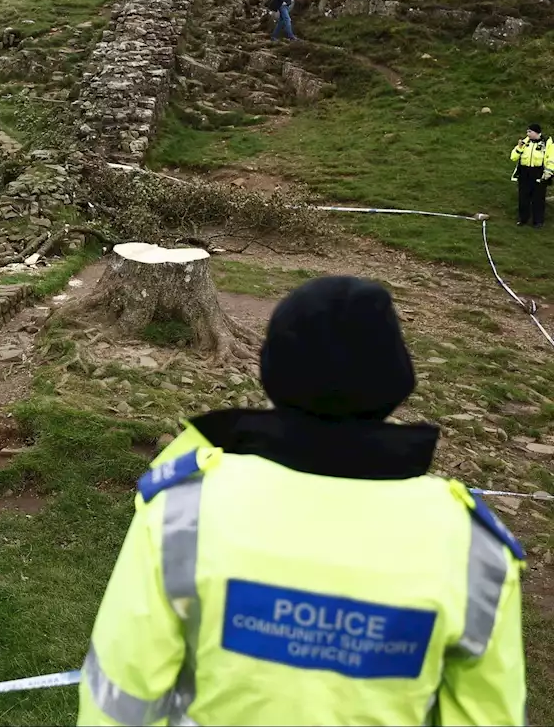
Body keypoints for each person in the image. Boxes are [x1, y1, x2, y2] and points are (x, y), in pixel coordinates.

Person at [77, 276, 526, 726]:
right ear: (396, 379)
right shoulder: (476, 550)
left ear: (273, 370)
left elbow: (118, 699)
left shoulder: (181, 515)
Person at [511, 123, 553, 228]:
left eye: (530, 132)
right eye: (527, 131)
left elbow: (551, 159)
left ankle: (538, 221)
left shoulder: (547, 144)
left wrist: (548, 173)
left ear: (537, 132)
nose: (527, 134)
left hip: (539, 173)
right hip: (524, 173)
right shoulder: (524, 142)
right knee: (523, 197)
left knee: (538, 198)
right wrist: (519, 147)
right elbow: (513, 157)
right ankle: (522, 219)